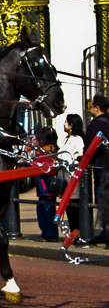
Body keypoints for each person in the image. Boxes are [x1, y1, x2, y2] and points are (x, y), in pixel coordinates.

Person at [85, 94, 109, 241]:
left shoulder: (93, 126)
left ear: (97, 108)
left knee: (103, 201)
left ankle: (105, 232)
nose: (90, 109)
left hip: (102, 169)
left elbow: (90, 151)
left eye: (91, 106)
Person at [58, 114, 85, 230]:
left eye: (66, 122)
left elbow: (79, 157)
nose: (64, 124)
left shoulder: (77, 139)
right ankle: (74, 231)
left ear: (71, 125)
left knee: (74, 208)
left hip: (72, 178)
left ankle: (77, 232)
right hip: (64, 178)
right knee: (69, 207)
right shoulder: (66, 139)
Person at [34, 126, 59, 242]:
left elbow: (43, 168)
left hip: (46, 189)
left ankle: (50, 234)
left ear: (42, 142)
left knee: (48, 212)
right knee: (42, 211)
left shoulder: (46, 154)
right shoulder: (46, 152)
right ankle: (46, 232)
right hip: (42, 189)